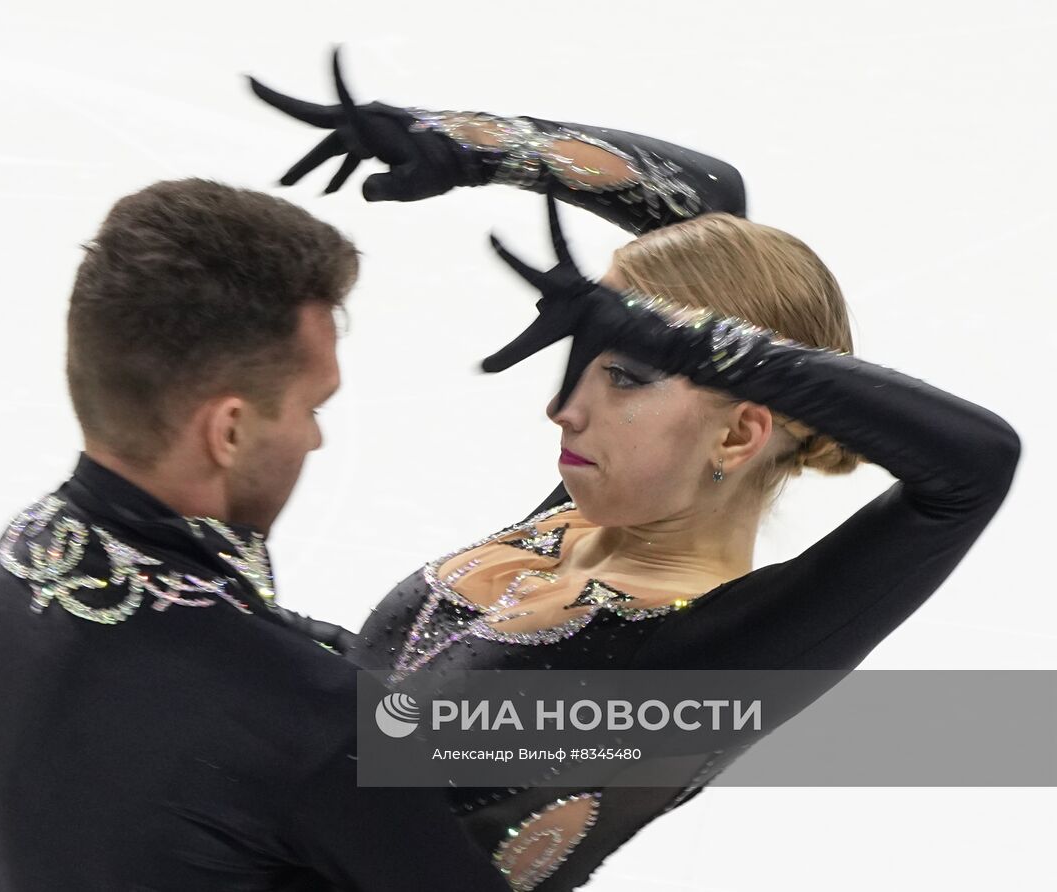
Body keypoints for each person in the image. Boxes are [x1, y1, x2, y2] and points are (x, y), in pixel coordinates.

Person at [249, 54, 1023, 889]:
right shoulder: (594, 517)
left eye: (623, 374)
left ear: (739, 434)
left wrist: (684, 340)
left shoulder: (715, 657)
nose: (564, 408)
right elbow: (707, 199)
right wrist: (468, 144)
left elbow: (973, 466)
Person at [0, 178, 512, 891]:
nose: (315, 439)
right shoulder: (312, 722)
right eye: (312, 407)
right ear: (230, 430)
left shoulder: (32, 548)